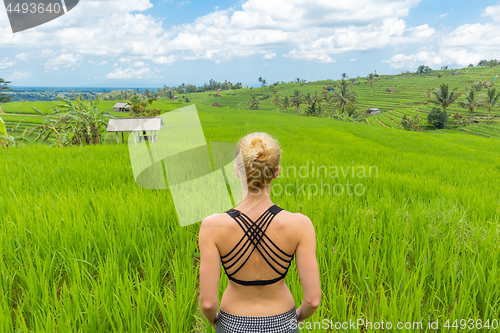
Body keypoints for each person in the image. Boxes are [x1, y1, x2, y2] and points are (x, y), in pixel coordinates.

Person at [198, 132, 321, 332]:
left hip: (232, 323)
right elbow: (313, 300)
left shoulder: (212, 226)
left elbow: (208, 303)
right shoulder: (300, 225)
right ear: (276, 171)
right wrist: (294, 319)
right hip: (283, 321)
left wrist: (216, 322)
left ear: (238, 171)